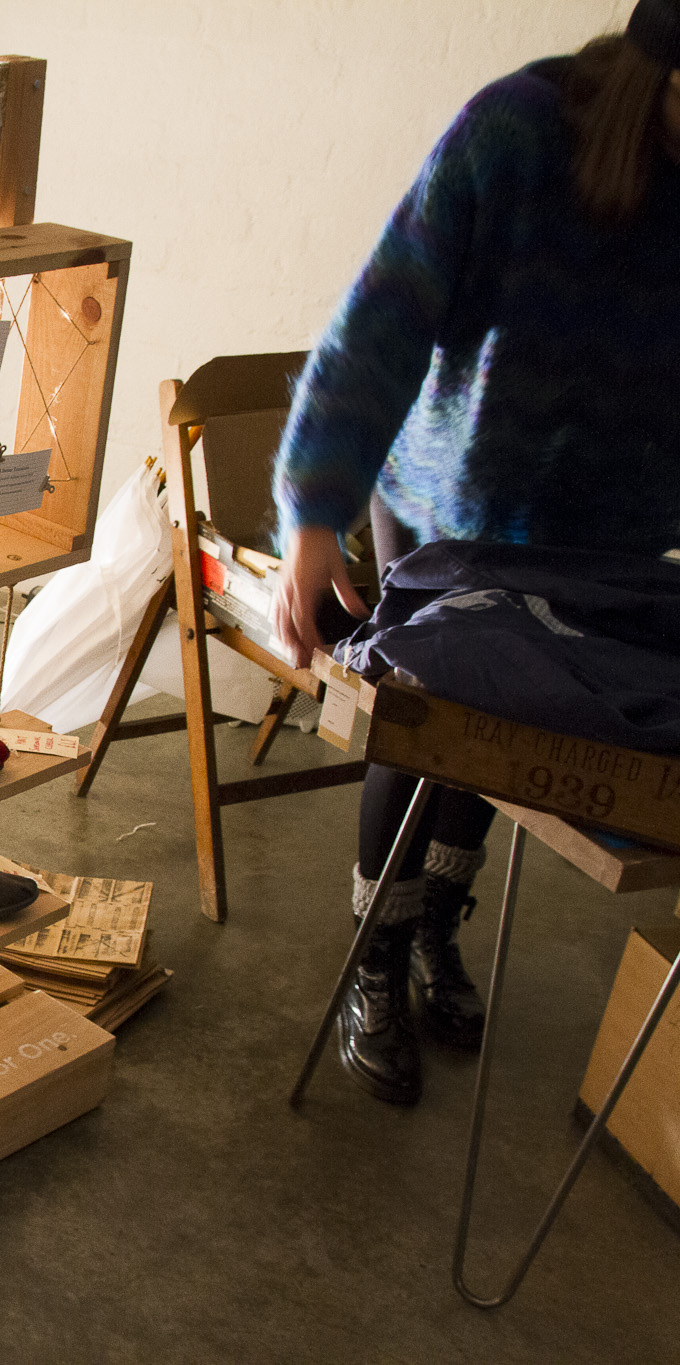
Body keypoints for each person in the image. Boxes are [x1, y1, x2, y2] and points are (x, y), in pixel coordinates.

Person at [270, 4, 680, 1106]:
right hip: (445, 512)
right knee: (423, 734)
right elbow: (380, 323)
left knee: (509, 740)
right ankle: (374, 960)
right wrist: (313, 517)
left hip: (597, 541)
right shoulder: (514, 131)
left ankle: (434, 929)